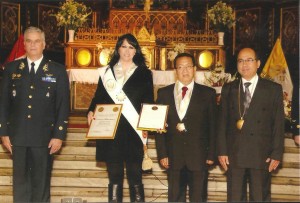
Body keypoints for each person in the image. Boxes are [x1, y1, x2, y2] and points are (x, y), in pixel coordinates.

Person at [0, 26, 70, 202]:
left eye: (37, 41)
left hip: (44, 137)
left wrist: (59, 135)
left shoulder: (57, 71)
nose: (33, 44)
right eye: (29, 41)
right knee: (20, 185)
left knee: (41, 184)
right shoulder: (11, 69)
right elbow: (3, 104)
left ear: (44, 44)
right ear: (24, 44)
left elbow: (63, 106)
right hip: (18, 137)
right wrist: (4, 132)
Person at [87, 33, 154, 202]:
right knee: (114, 176)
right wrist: (90, 111)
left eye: (131, 47)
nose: (127, 51)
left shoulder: (145, 73)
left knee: (135, 175)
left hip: (133, 130)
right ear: (117, 48)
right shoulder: (107, 72)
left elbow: (149, 101)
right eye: (124, 46)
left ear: (136, 51)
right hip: (111, 129)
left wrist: (148, 124)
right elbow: (98, 97)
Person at [217, 47, 285, 201]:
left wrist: (276, 153)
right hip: (235, 154)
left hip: (261, 154)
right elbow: (222, 122)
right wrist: (222, 151)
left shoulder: (273, 89)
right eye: (241, 61)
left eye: (249, 60)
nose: (244, 64)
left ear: (258, 63)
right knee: (235, 198)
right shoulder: (229, 88)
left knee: (260, 197)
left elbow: (278, 124)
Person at [155, 53, 217, 202]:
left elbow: (213, 126)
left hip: (199, 156)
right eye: (181, 67)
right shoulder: (163, 93)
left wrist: (211, 154)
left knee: (199, 198)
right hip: (174, 156)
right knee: (175, 198)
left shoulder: (208, 94)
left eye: (188, 66)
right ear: (175, 71)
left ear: (194, 69)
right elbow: (159, 127)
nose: (185, 71)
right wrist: (162, 153)